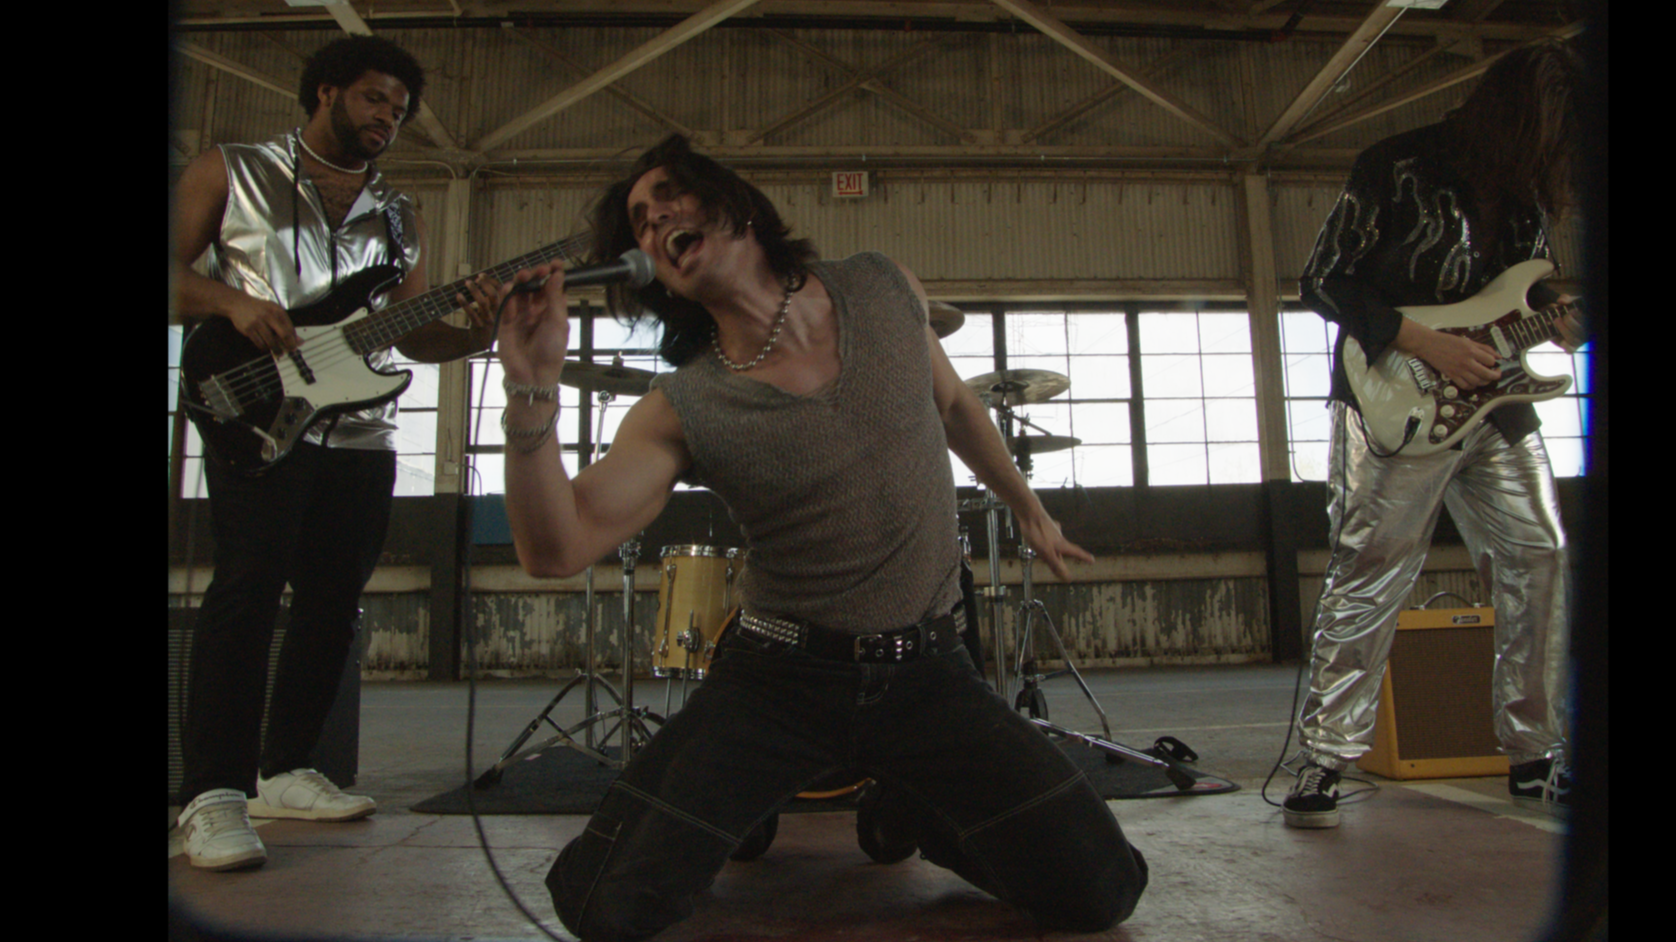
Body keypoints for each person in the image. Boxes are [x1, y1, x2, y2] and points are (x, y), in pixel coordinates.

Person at [492, 134, 1148, 940]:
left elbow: (952, 404)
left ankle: (924, 808)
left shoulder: (882, 285)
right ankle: (856, 798)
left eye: (669, 198)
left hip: (929, 671)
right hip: (778, 681)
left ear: (736, 206)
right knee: (604, 906)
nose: (654, 220)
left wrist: (1028, 507)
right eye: (638, 221)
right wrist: (530, 388)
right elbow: (555, 550)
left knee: (1103, 890)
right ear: (654, 271)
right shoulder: (683, 405)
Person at [172, 35, 499, 870]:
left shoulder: (399, 212)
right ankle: (212, 794)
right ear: (326, 92)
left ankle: (286, 769)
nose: (389, 117)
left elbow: (411, 333)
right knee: (248, 588)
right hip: (256, 405)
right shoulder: (231, 170)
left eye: (400, 109)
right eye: (374, 99)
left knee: (332, 601)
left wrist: (477, 332)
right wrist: (229, 302)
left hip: (360, 427)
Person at [1285, 42, 1585, 829]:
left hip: (1499, 407)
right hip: (1397, 400)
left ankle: (1535, 753)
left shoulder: (1523, 195)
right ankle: (1325, 757)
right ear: (1517, 118)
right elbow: (1323, 280)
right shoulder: (1395, 166)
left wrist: (1560, 320)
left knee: (1540, 556)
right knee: (1373, 569)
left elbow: (1524, 292)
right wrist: (1428, 343)